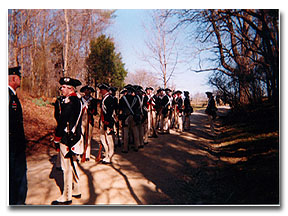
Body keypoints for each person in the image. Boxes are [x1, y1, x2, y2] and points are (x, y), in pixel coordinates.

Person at [52, 77, 83, 205]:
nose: (61, 89)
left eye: (64, 87)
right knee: (73, 165)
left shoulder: (70, 101)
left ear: (70, 89)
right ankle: (76, 189)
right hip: (75, 137)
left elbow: (63, 121)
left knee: (66, 168)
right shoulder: (77, 100)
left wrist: (57, 138)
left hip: (67, 138)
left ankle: (66, 196)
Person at [9, 66, 27, 205]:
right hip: (13, 145)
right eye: (19, 77)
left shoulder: (12, 96)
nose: (20, 80)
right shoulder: (9, 97)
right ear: (14, 78)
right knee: (15, 176)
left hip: (15, 144)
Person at [119, 85, 141, 153]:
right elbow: (138, 108)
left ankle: (125, 148)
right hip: (133, 116)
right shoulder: (135, 99)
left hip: (126, 117)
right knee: (135, 132)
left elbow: (120, 108)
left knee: (126, 133)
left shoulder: (123, 99)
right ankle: (136, 146)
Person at [98, 83, 115, 164]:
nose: (100, 91)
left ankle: (110, 156)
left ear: (105, 90)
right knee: (102, 138)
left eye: (102, 89)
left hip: (107, 121)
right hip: (102, 120)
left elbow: (110, 112)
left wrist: (107, 123)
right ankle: (107, 154)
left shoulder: (110, 98)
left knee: (109, 139)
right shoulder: (104, 98)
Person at [80, 85, 98, 161]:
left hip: (89, 120)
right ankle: (80, 152)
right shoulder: (80, 100)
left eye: (89, 90)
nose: (87, 92)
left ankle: (87, 154)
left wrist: (91, 110)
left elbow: (95, 112)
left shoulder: (93, 100)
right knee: (80, 137)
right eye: (86, 90)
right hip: (81, 120)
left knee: (88, 138)